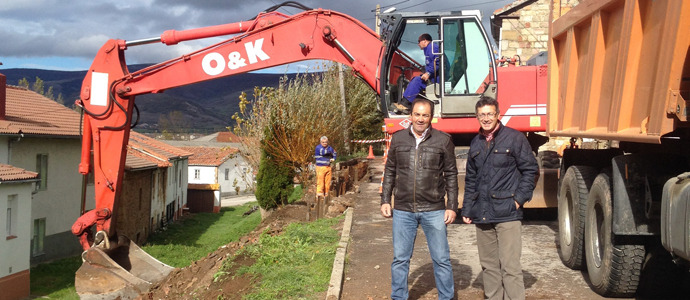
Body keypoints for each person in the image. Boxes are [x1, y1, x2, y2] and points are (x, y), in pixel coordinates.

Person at [461, 96, 538, 300]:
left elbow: (531, 170)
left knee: (510, 266)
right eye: (482, 115)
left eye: (490, 114)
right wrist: (467, 209)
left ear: (498, 115)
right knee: (489, 266)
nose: (486, 118)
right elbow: (471, 179)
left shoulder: (514, 138)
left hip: (508, 212)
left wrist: (519, 199)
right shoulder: (476, 143)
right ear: (477, 117)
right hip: (483, 213)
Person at [380, 98, 458, 300]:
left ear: (431, 117)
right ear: (410, 116)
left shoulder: (443, 140)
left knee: (441, 259)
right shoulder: (398, 139)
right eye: (417, 114)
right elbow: (390, 171)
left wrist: (452, 206)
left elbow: (451, 174)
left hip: (434, 209)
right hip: (403, 210)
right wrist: (385, 199)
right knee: (400, 259)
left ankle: (447, 297)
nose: (421, 119)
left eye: (425, 115)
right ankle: (399, 297)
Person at [394, 33, 449, 112]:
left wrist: (428, 73)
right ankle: (408, 102)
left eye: (419, 41)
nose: (418, 44)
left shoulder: (433, 48)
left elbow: (438, 62)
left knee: (417, 81)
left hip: (438, 79)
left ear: (424, 41)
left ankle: (406, 104)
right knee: (415, 79)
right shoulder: (429, 49)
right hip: (435, 77)